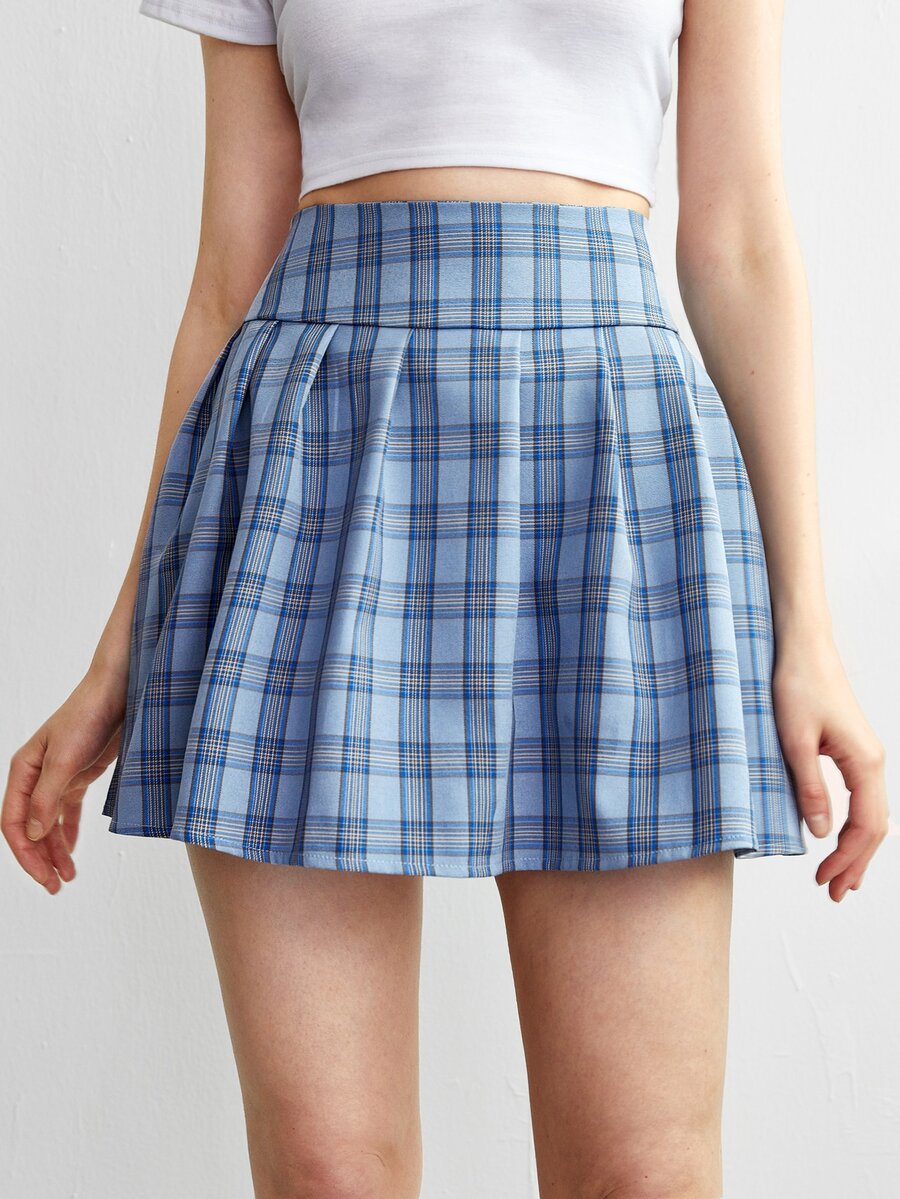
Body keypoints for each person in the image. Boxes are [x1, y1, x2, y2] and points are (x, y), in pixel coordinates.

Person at [3, 1, 889, 1196]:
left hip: (610, 469)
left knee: (643, 1173)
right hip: (315, 464)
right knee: (328, 1171)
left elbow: (738, 238)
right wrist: (122, 653)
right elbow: (227, 273)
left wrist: (809, 633)